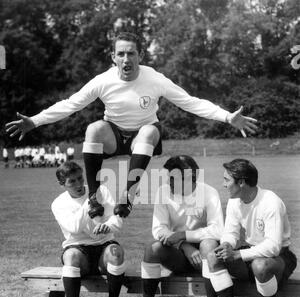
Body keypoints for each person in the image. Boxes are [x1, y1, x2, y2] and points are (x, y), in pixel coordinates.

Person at [5, 31, 258, 220]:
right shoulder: (102, 81)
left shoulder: (155, 79)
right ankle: (94, 198)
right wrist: (35, 121)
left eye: (132, 53)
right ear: (113, 57)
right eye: (121, 54)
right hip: (114, 135)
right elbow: (70, 104)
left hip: (146, 136)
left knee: (148, 131)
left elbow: (191, 102)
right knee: (93, 128)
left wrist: (227, 117)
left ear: (140, 56)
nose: (127, 59)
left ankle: (127, 196)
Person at [127, 155, 224, 297]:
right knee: (153, 248)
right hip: (178, 254)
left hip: (204, 257)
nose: (170, 183)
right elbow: (158, 229)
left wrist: (184, 235)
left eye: (175, 179)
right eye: (169, 177)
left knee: (208, 244)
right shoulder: (163, 192)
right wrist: (183, 245)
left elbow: (218, 230)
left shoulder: (209, 193)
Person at [206, 159, 297, 297]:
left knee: (260, 265)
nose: (223, 184)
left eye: (226, 180)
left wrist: (238, 254)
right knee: (212, 256)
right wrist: (226, 244)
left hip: (280, 258)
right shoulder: (235, 200)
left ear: (241, 182)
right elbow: (231, 233)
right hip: (252, 252)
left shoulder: (271, 202)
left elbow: (274, 247)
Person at [51, 161, 127, 297]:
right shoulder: (58, 203)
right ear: (62, 184)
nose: (78, 184)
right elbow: (74, 228)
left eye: (80, 178)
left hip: (103, 245)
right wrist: (89, 201)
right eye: (72, 182)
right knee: (70, 257)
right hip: (78, 249)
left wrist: (109, 226)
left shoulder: (102, 192)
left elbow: (117, 219)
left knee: (116, 253)